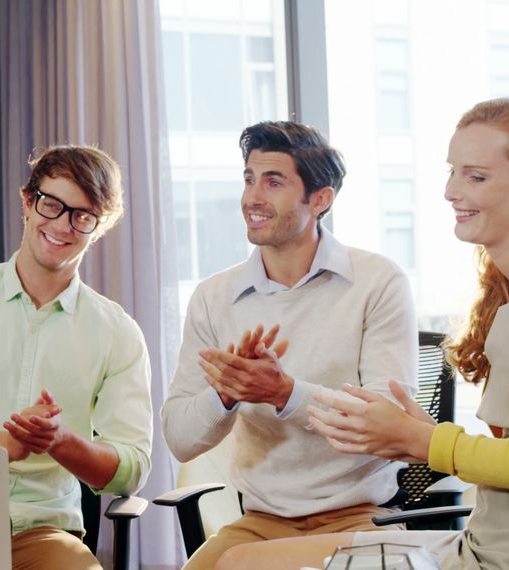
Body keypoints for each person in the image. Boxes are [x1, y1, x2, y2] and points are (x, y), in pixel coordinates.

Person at [215, 97, 509, 570]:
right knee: (242, 559)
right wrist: (426, 434)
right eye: (452, 172)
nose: (452, 191)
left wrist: (424, 443)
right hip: (484, 544)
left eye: (476, 177)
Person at [161, 121, 418, 569]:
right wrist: (226, 392)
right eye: (249, 179)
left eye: (273, 182)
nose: (252, 198)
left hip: (359, 519)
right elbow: (180, 440)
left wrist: (284, 393)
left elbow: (388, 427)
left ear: (320, 200)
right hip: (261, 522)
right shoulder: (213, 297)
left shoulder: (378, 281)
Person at [0, 145, 153, 569]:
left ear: (100, 226)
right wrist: (8, 445)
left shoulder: (117, 332)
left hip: (44, 530)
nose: (61, 225)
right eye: (51, 205)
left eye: (82, 216)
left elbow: (130, 469)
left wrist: (61, 442)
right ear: (27, 202)